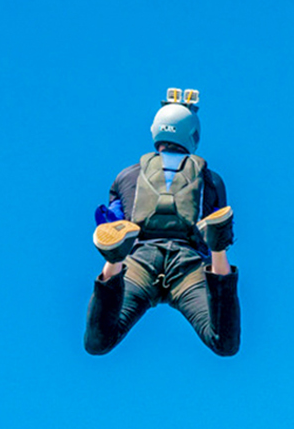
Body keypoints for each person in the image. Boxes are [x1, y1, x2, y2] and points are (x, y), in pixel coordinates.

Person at [85, 89, 240, 356]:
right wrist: (215, 243)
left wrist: (112, 232)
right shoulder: (211, 179)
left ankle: (113, 260)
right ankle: (219, 249)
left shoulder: (128, 175)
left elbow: (112, 217)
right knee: (223, 342)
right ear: (193, 135)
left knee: (98, 343)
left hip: (139, 261)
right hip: (188, 264)